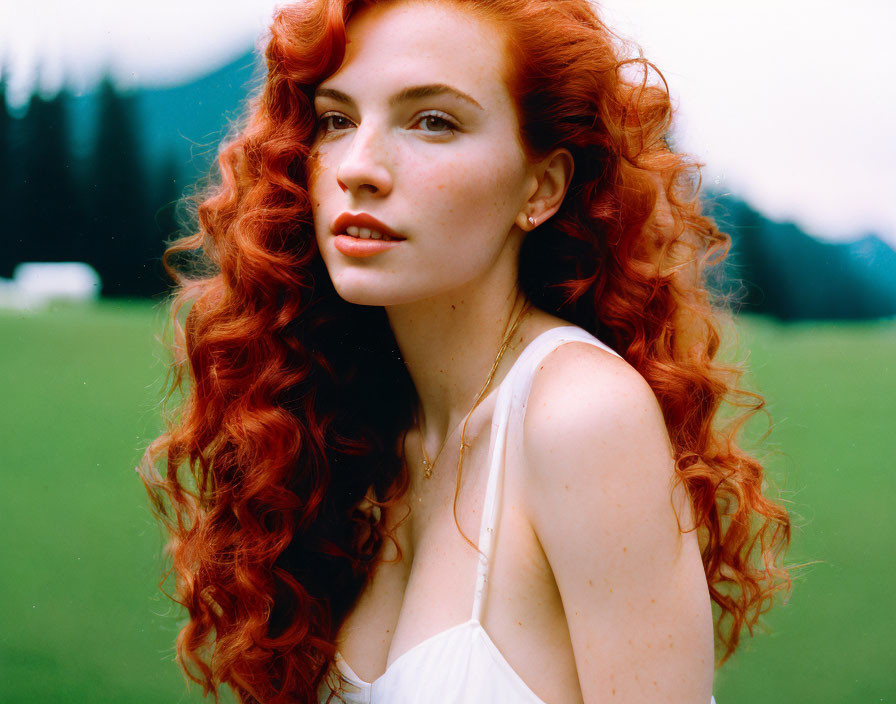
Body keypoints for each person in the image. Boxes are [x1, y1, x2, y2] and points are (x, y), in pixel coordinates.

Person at [139, 0, 792, 702]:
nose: (359, 168)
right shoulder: (354, 431)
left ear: (540, 187)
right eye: (336, 119)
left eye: (433, 121)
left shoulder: (581, 418)